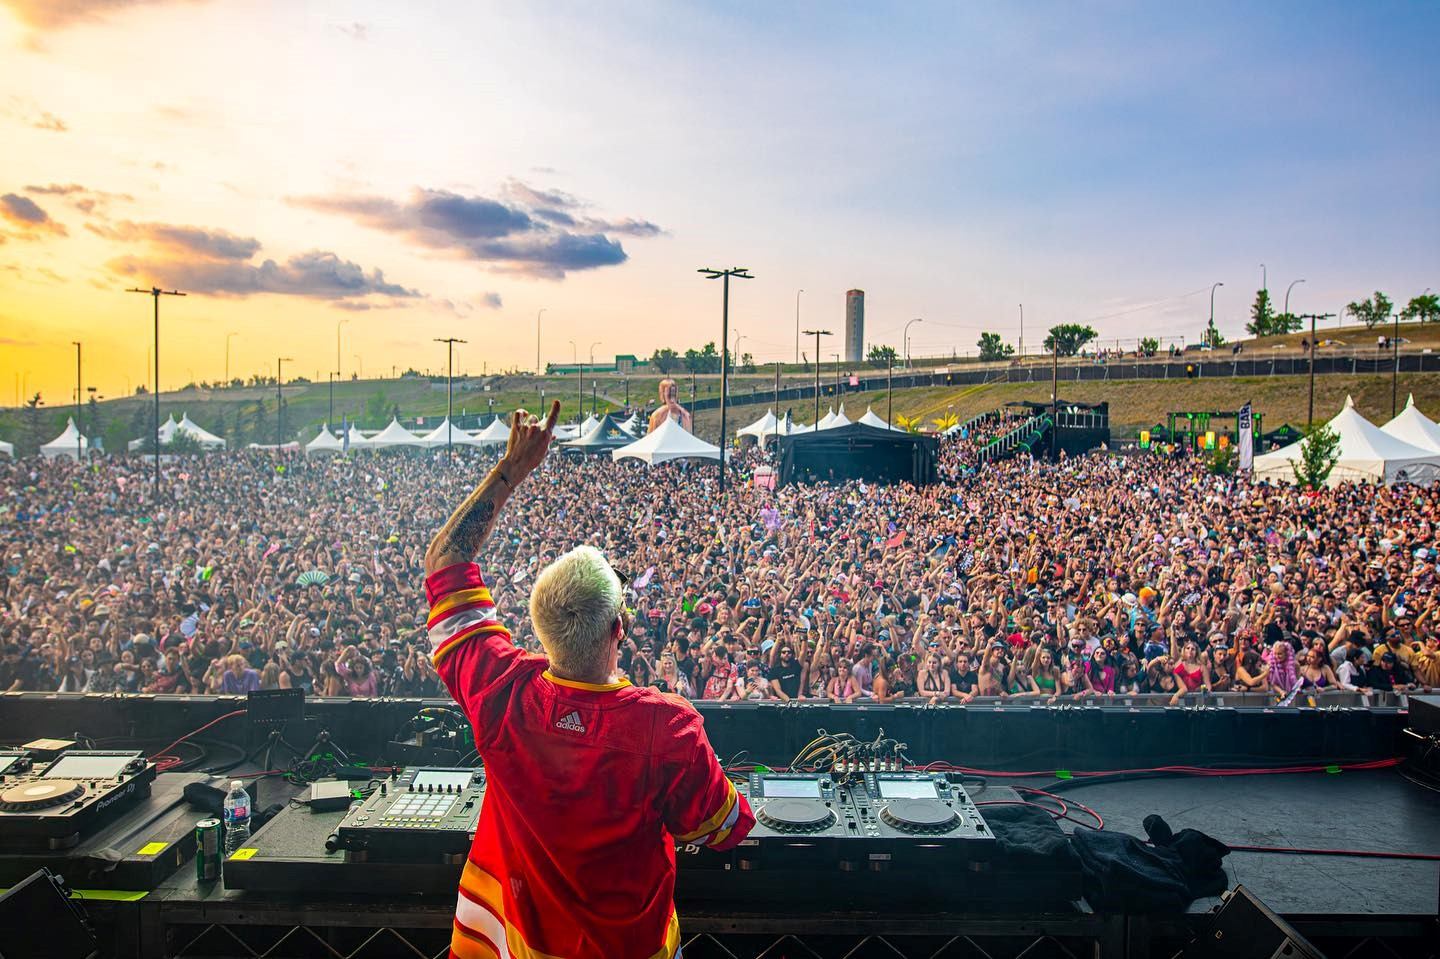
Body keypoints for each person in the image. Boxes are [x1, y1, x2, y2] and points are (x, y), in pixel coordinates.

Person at [423, 402, 753, 959]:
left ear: (536, 628)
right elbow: (724, 827)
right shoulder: (668, 730)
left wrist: (512, 469)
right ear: (619, 628)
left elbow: (443, 561)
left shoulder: (498, 692)